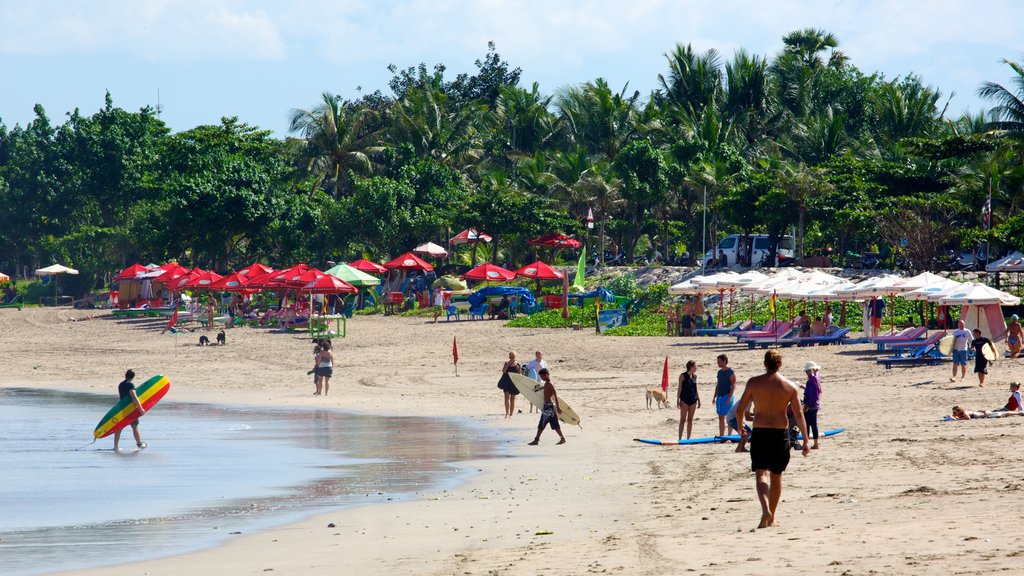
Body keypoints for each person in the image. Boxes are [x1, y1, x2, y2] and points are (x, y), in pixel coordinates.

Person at [735, 350, 810, 529]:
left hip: (760, 431)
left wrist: (740, 426)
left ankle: (765, 510)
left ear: (765, 363)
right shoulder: (790, 387)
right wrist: (806, 440)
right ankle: (772, 517)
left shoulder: (754, 383)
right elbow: (799, 415)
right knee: (776, 476)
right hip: (780, 433)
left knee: (761, 474)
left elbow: (740, 409)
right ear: (780, 364)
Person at [528, 368, 566, 445]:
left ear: (546, 375)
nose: (541, 378)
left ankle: (536, 440)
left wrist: (558, 407)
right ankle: (562, 439)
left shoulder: (550, 384)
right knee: (555, 424)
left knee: (542, 423)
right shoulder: (546, 383)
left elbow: (555, 396)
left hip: (548, 407)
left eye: (542, 376)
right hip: (548, 406)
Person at [114, 369, 146, 451]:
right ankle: (139, 445)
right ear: (133, 377)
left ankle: (115, 447)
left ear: (126, 375)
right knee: (135, 426)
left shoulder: (121, 384)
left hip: (122, 408)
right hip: (130, 409)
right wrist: (140, 408)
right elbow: (134, 396)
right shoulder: (130, 384)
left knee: (119, 427)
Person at [712, 354, 736, 437]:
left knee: (729, 417)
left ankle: (729, 435)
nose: (717, 363)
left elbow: (733, 385)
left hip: (727, 396)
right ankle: (721, 435)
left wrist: (729, 397)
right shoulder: (719, 372)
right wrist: (714, 396)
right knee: (720, 417)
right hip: (720, 396)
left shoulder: (730, 372)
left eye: (719, 361)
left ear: (724, 361)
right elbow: (718, 384)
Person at [677, 360, 700, 440]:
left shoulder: (695, 376)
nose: (696, 368)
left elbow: (696, 389)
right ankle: (680, 438)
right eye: (695, 366)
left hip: (693, 399)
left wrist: (699, 400)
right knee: (682, 420)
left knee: (690, 420)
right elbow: (679, 388)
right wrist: (678, 399)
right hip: (684, 400)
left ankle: (688, 438)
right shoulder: (682, 376)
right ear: (690, 367)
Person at [802, 361, 822, 450]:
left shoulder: (812, 380)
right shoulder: (816, 378)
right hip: (814, 405)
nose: (807, 373)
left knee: (808, 424)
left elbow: (814, 395)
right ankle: (813, 443)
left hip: (811, 405)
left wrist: (808, 406)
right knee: (811, 424)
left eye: (807, 371)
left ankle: (810, 443)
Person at [497, 351, 522, 418]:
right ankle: (507, 413)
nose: (511, 358)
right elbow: (504, 371)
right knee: (506, 397)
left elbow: (519, 375)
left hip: (514, 383)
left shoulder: (518, 364)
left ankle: (511, 414)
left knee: (512, 399)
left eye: (512, 357)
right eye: (510, 356)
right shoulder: (506, 363)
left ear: (515, 357)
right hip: (507, 382)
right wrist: (508, 363)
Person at [951, 405, 1024, 420]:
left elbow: (968, 418)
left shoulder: (965, 413)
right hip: (985, 413)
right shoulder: (962, 413)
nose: (954, 414)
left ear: (959, 411)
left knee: (1006, 413)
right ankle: (1019, 412)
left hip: (987, 414)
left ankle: (1019, 413)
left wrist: (957, 419)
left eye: (954, 413)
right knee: (1004, 413)